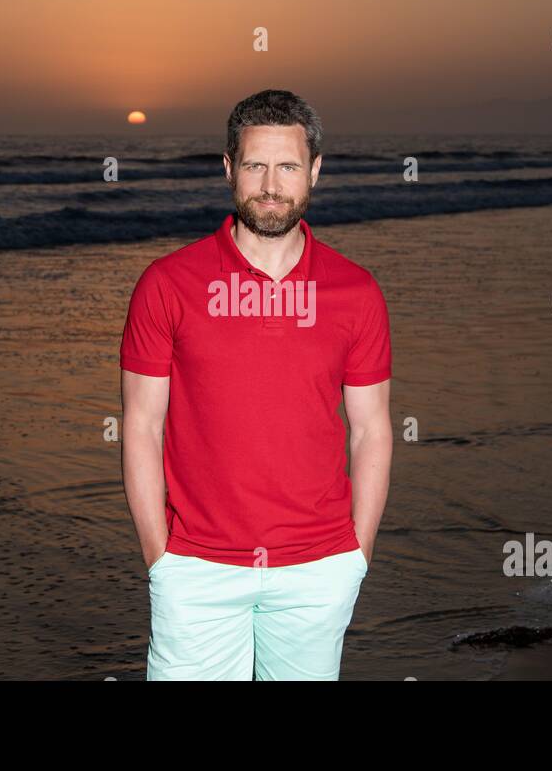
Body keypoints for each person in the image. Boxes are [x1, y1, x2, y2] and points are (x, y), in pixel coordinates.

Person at [120, 88, 393, 680]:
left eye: (289, 166)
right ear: (229, 169)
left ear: (314, 171)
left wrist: (357, 555)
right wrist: (158, 555)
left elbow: (371, 428)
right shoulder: (167, 285)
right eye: (255, 165)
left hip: (318, 568)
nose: (271, 184)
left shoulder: (357, 292)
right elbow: (141, 423)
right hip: (196, 569)